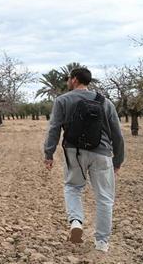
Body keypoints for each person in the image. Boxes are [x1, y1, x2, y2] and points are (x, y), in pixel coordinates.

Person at [43, 67, 124, 252]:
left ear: (74, 80)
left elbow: (54, 128)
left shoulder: (62, 100)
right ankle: (102, 242)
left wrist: (48, 154)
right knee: (104, 197)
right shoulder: (105, 102)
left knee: (73, 188)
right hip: (102, 153)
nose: (67, 82)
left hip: (74, 153)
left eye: (68, 79)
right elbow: (117, 134)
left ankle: (76, 222)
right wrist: (118, 160)